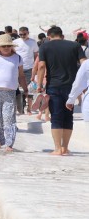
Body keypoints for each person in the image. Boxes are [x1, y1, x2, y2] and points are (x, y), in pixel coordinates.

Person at [37, 26, 86, 155]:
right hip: (72, 86)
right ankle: (65, 147)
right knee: (68, 117)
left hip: (54, 85)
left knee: (56, 117)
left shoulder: (45, 47)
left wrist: (39, 85)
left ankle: (57, 148)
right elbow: (84, 64)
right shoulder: (75, 45)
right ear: (61, 35)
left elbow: (41, 66)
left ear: (49, 36)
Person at [13, 27, 39, 115]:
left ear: (28, 33)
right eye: (21, 34)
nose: (23, 36)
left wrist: (36, 68)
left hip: (29, 68)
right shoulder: (15, 42)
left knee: (29, 89)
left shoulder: (33, 42)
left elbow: (36, 55)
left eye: (24, 34)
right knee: (16, 88)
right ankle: (20, 107)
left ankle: (29, 108)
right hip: (17, 68)